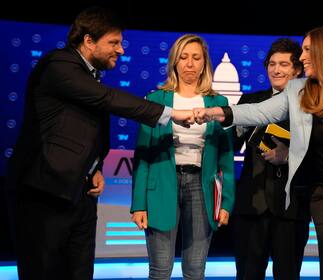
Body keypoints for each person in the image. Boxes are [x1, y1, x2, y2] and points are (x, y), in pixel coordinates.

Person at [194, 26, 323, 280]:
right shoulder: (298, 90)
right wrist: (219, 113)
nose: (303, 57)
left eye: (307, 50)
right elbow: (262, 111)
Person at [5, 7, 194, 280]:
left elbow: (83, 128)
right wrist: (169, 113)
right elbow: (107, 99)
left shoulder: (89, 75)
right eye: (113, 43)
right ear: (88, 41)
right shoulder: (59, 65)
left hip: (80, 195)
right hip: (43, 193)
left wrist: (95, 167)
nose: (121, 51)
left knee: (80, 273)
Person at [130, 34, 235, 280]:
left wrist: (227, 203)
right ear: (174, 62)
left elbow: (225, 158)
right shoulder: (157, 100)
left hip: (202, 187)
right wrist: (138, 204)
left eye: (196, 57)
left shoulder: (218, 102)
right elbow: (143, 154)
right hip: (161, 188)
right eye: (184, 57)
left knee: (195, 270)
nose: (189, 63)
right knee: (160, 270)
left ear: (204, 63)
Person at [232, 38, 310, 280]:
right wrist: (237, 129)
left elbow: (320, 153)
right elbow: (232, 145)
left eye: (284, 64)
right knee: (247, 274)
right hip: (251, 203)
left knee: (287, 275)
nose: (276, 70)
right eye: (272, 64)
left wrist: (289, 156)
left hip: (291, 207)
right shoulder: (250, 101)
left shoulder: (310, 104)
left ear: (297, 69)